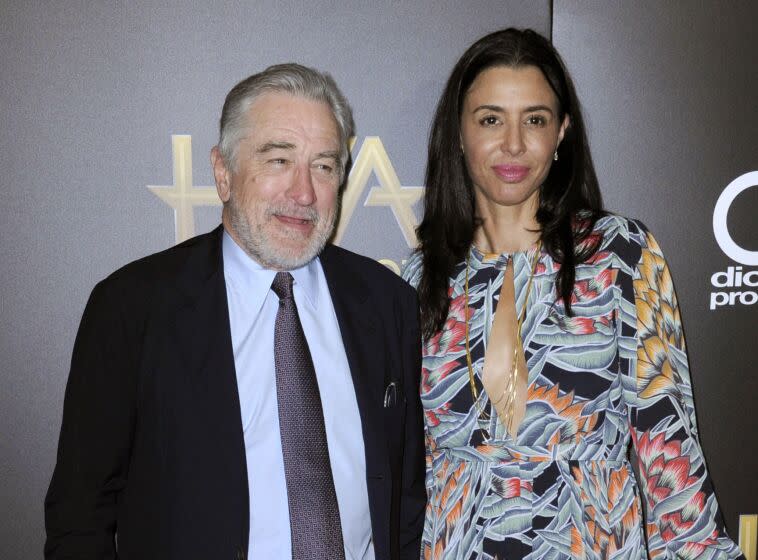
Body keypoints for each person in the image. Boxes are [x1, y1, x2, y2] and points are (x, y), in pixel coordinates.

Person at [45, 63, 426, 560]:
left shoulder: (386, 302)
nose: (304, 193)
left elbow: (405, 503)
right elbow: (81, 519)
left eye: (324, 166)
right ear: (223, 173)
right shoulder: (132, 308)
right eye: (278, 161)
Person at [402, 28, 744, 559]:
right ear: (458, 133)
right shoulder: (418, 279)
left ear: (560, 132)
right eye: (491, 119)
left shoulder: (617, 255)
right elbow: (406, 471)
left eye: (534, 119)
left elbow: (668, 449)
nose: (513, 144)